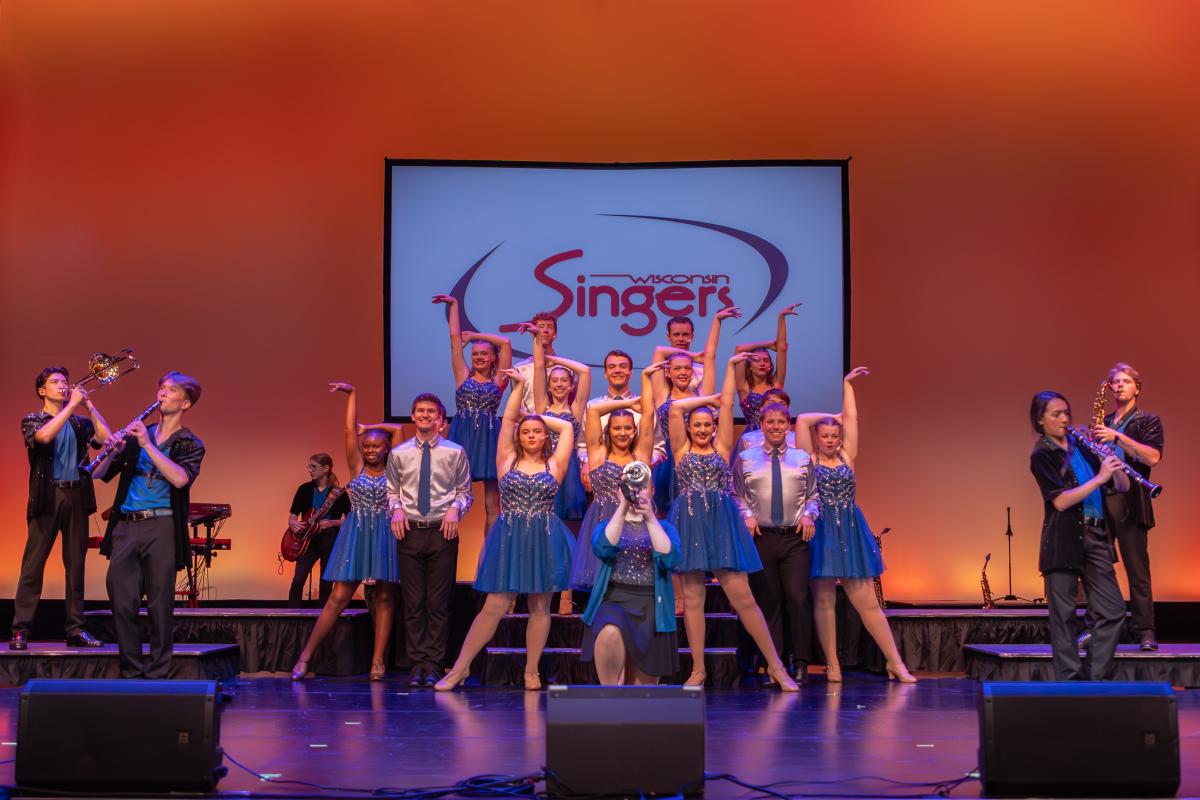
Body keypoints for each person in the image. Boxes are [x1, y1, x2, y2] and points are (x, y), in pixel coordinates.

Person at [660, 353, 799, 691]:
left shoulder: (723, 447)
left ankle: (777, 667)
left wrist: (721, 387)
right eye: (699, 425)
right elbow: (676, 410)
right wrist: (704, 400)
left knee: (744, 598)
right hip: (690, 522)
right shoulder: (679, 450)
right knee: (692, 599)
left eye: (708, 424)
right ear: (690, 429)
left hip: (721, 523)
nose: (705, 429)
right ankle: (697, 669)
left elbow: (724, 403)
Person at [435, 369, 576, 691]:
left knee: (540, 606)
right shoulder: (506, 460)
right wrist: (521, 390)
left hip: (544, 538)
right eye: (525, 431)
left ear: (544, 437)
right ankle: (460, 669)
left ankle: (531, 670)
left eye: (536, 432)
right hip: (510, 538)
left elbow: (567, 427)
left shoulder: (555, 464)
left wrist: (535, 415)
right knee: (495, 604)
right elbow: (509, 417)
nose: (529, 435)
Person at [794, 368, 916, 683]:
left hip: (849, 530)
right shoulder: (808, 458)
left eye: (836, 435)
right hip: (821, 531)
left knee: (867, 602)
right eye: (826, 435)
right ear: (817, 439)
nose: (832, 440)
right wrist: (830, 414)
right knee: (824, 601)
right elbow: (803, 419)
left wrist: (847, 385)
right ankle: (832, 665)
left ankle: (895, 662)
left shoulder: (849, 455)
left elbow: (853, 419)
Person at [96, 372, 204, 679]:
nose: (163, 393)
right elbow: (99, 473)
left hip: (161, 525)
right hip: (127, 525)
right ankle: (130, 669)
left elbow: (180, 478)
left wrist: (146, 444)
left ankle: (158, 671)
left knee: (160, 603)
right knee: (121, 600)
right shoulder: (136, 434)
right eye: (161, 388)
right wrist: (112, 450)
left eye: (171, 390)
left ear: (185, 402)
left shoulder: (190, 443)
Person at [291, 383, 401, 682]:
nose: (370, 449)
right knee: (338, 597)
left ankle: (377, 662)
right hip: (357, 531)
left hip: (384, 533)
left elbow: (398, 429)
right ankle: (305, 657)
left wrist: (375, 426)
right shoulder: (356, 468)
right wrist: (353, 395)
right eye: (367, 446)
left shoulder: (397, 467)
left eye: (377, 445)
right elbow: (349, 431)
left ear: (388, 448)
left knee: (384, 598)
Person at [1029, 390, 1129, 680]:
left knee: (1113, 610)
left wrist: (1112, 462)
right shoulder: (1042, 455)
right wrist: (1100, 478)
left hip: (1096, 534)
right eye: (1056, 414)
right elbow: (1059, 501)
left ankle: (1097, 677)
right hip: (1063, 539)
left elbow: (1120, 486)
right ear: (1040, 420)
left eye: (1066, 413)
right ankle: (1070, 681)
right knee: (1063, 617)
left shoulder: (1082, 445)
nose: (1064, 419)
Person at [13, 367, 112, 650]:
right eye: (55, 382)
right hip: (48, 496)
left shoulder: (80, 422)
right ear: (42, 390)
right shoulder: (33, 419)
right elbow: (43, 438)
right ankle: (21, 628)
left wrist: (89, 404)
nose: (63, 385)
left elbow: (105, 439)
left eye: (64, 382)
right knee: (33, 566)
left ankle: (76, 629)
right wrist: (71, 406)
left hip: (77, 495)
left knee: (75, 567)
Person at [386, 393, 474, 687]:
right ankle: (416, 664)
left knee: (438, 602)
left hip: (441, 532)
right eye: (419, 410)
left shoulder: (455, 452)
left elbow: (465, 492)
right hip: (409, 532)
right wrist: (396, 511)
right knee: (413, 602)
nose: (424, 415)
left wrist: (454, 510)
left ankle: (434, 663)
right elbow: (391, 491)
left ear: (440, 419)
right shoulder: (398, 454)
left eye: (430, 412)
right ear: (412, 416)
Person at [733, 401, 820, 685]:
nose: (775, 427)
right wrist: (746, 515)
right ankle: (775, 663)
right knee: (768, 602)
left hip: (794, 538)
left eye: (780, 422)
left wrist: (808, 515)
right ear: (762, 425)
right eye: (770, 422)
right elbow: (736, 494)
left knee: (797, 598)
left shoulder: (802, 458)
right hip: (762, 538)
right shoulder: (746, 458)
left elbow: (813, 496)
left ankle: (802, 662)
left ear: (788, 426)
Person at [1090, 363, 1164, 651]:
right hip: (1102, 499)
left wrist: (1117, 436)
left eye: (1125, 381)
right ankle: (1097, 629)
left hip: (1131, 501)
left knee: (1137, 569)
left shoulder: (1148, 421)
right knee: (1097, 570)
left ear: (1137, 388)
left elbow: (1152, 457)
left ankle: (1145, 631)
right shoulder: (1104, 420)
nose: (1119, 385)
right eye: (1115, 382)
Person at [581, 483, 681, 685]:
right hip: (614, 599)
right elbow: (603, 548)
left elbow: (669, 559)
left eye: (642, 486)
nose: (636, 490)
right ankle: (609, 697)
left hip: (651, 606)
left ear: (652, 490)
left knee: (641, 694)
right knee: (609, 632)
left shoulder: (666, 528)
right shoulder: (606, 525)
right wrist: (622, 508)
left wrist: (650, 518)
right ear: (618, 491)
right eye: (629, 486)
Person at [432, 294, 512, 534]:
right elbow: (455, 341)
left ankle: (488, 557)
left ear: (493, 359)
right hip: (463, 437)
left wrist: (475, 336)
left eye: (484, 354)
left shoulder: (499, 380)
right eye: (475, 353)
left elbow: (506, 343)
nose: (478, 357)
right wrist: (454, 305)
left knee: (492, 504)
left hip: (489, 441)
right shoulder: (462, 376)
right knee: (449, 498)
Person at [649, 307, 737, 512]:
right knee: (666, 513)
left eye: (687, 368)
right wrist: (694, 356)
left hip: (697, 458)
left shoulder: (701, 394)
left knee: (698, 508)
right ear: (668, 372)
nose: (682, 372)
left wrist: (717, 320)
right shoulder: (663, 393)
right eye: (677, 368)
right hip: (670, 459)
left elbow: (711, 356)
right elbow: (659, 352)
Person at [568, 385, 655, 592]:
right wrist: (627, 403)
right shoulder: (598, 455)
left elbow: (649, 413)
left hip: (635, 524)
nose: (622, 433)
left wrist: (644, 378)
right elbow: (594, 411)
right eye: (617, 428)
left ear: (635, 431)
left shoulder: (641, 456)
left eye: (627, 428)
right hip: (602, 520)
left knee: (631, 584)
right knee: (603, 587)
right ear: (609, 430)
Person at [286, 453, 351, 607]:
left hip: (330, 539)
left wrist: (334, 522)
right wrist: (292, 523)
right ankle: (291, 615)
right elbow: (293, 515)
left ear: (326, 468)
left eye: (313, 467)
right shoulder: (304, 489)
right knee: (298, 579)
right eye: (309, 466)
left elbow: (350, 520)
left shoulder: (339, 493)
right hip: (308, 539)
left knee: (326, 582)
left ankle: (322, 619)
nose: (310, 470)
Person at [732, 302, 801, 432]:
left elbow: (782, 348)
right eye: (757, 360)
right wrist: (768, 344)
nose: (762, 363)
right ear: (749, 367)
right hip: (751, 439)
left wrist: (781, 317)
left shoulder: (776, 385)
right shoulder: (744, 388)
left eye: (766, 360)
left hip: (776, 434)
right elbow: (739, 349)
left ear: (770, 366)